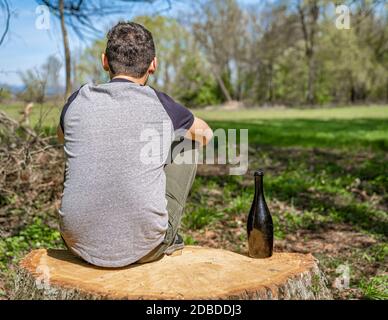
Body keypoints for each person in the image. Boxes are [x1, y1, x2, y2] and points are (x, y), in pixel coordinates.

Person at [56, 21, 213, 268]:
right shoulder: (161, 104)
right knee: (188, 143)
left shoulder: (77, 99)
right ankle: (164, 234)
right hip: (148, 248)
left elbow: (61, 137)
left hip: (76, 242)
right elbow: (206, 135)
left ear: (104, 61)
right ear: (153, 64)